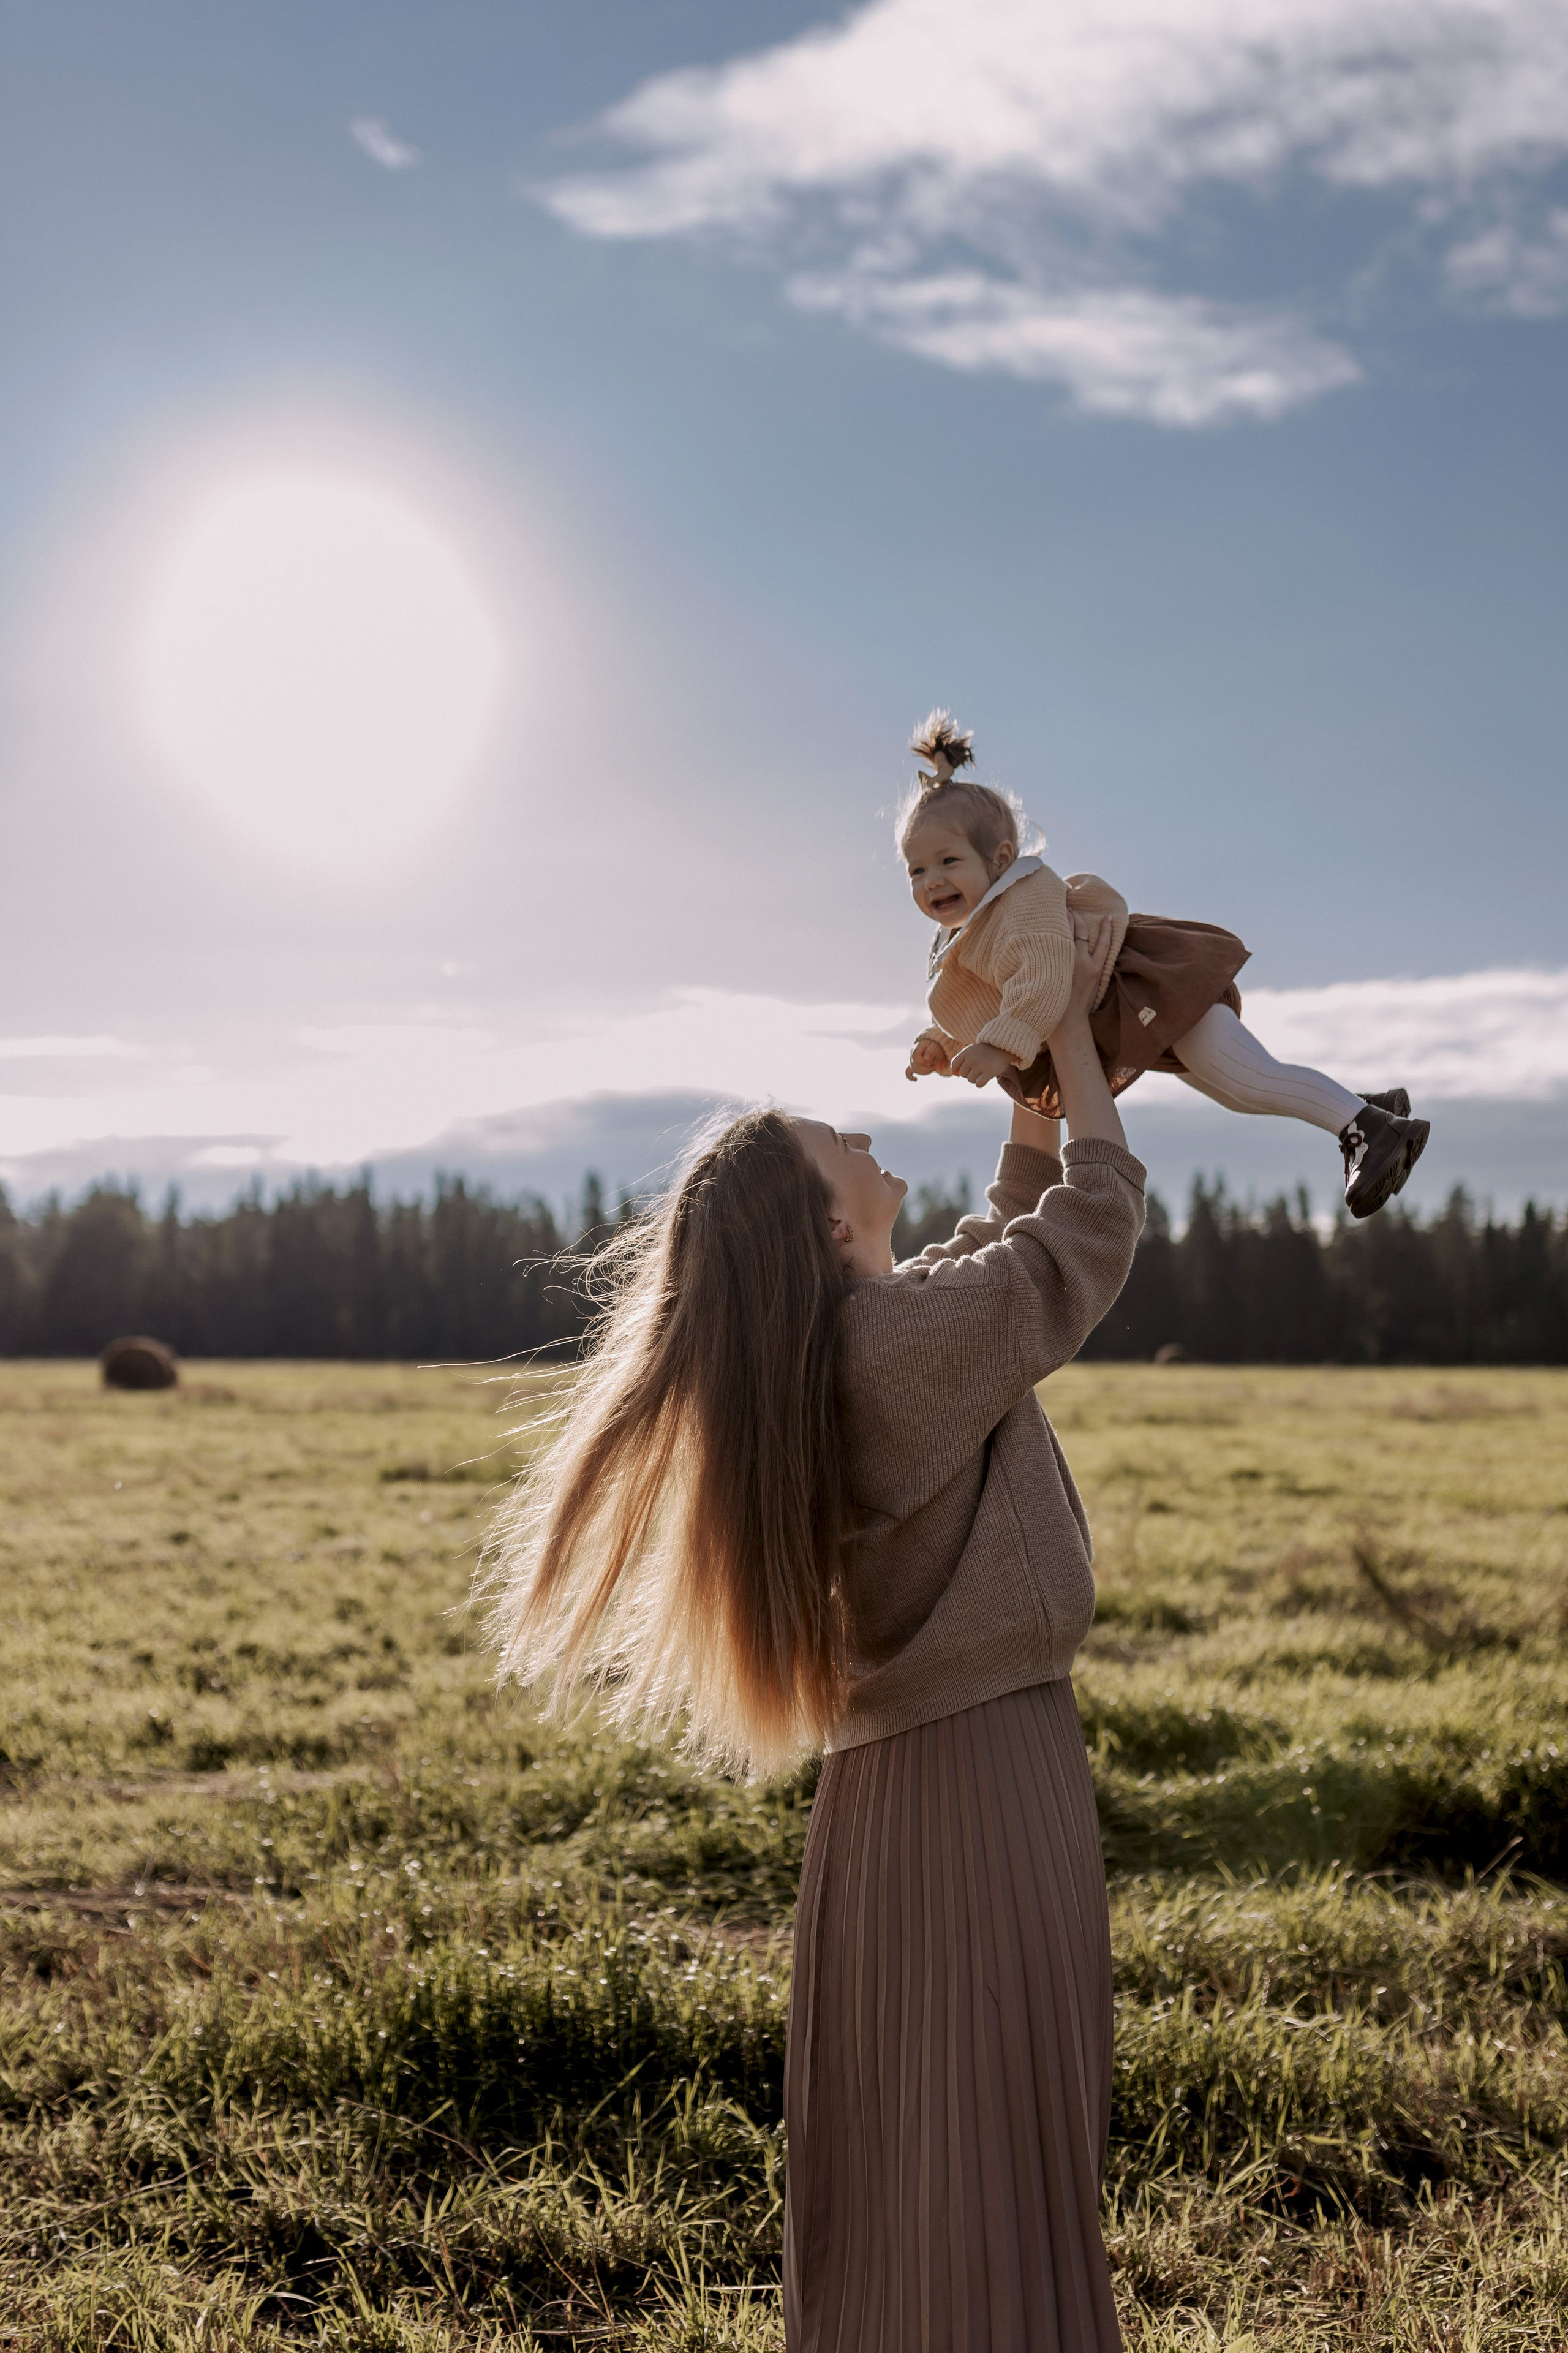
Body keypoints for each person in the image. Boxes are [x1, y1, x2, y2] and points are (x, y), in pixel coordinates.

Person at [484, 916, 1144, 2351]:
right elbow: (1079, 1241)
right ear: (821, 1221)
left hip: (896, 1802)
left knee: (930, 2159)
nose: (858, 1124)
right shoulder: (893, 1346)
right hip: (976, 1783)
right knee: (991, 2145)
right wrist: (1081, 1052)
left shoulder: (840, 1348)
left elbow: (987, 1263)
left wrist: (1031, 1105)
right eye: (828, 1135)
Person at [901, 709, 1429, 1220]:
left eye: (949, 862)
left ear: (999, 859)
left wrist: (997, 1044)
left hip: (1151, 985)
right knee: (1237, 1091)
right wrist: (942, 1043)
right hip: (1134, 1012)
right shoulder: (965, 939)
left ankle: (1371, 1128)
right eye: (917, 870)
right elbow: (979, 999)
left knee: (1247, 1081)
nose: (932, 881)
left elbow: (1042, 972)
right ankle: (1362, 1107)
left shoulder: (1023, 897)